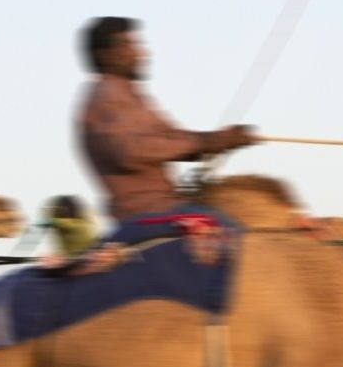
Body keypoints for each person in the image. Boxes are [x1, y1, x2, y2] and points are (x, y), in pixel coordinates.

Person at [78, 16, 257, 222]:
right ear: (105, 55)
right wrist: (208, 142)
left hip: (166, 205)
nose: (142, 53)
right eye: (129, 45)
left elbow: (171, 138)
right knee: (230, 228)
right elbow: (128, 150)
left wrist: (220, 141)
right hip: (146, 210)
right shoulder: (107, 96)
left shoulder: (129, 95)